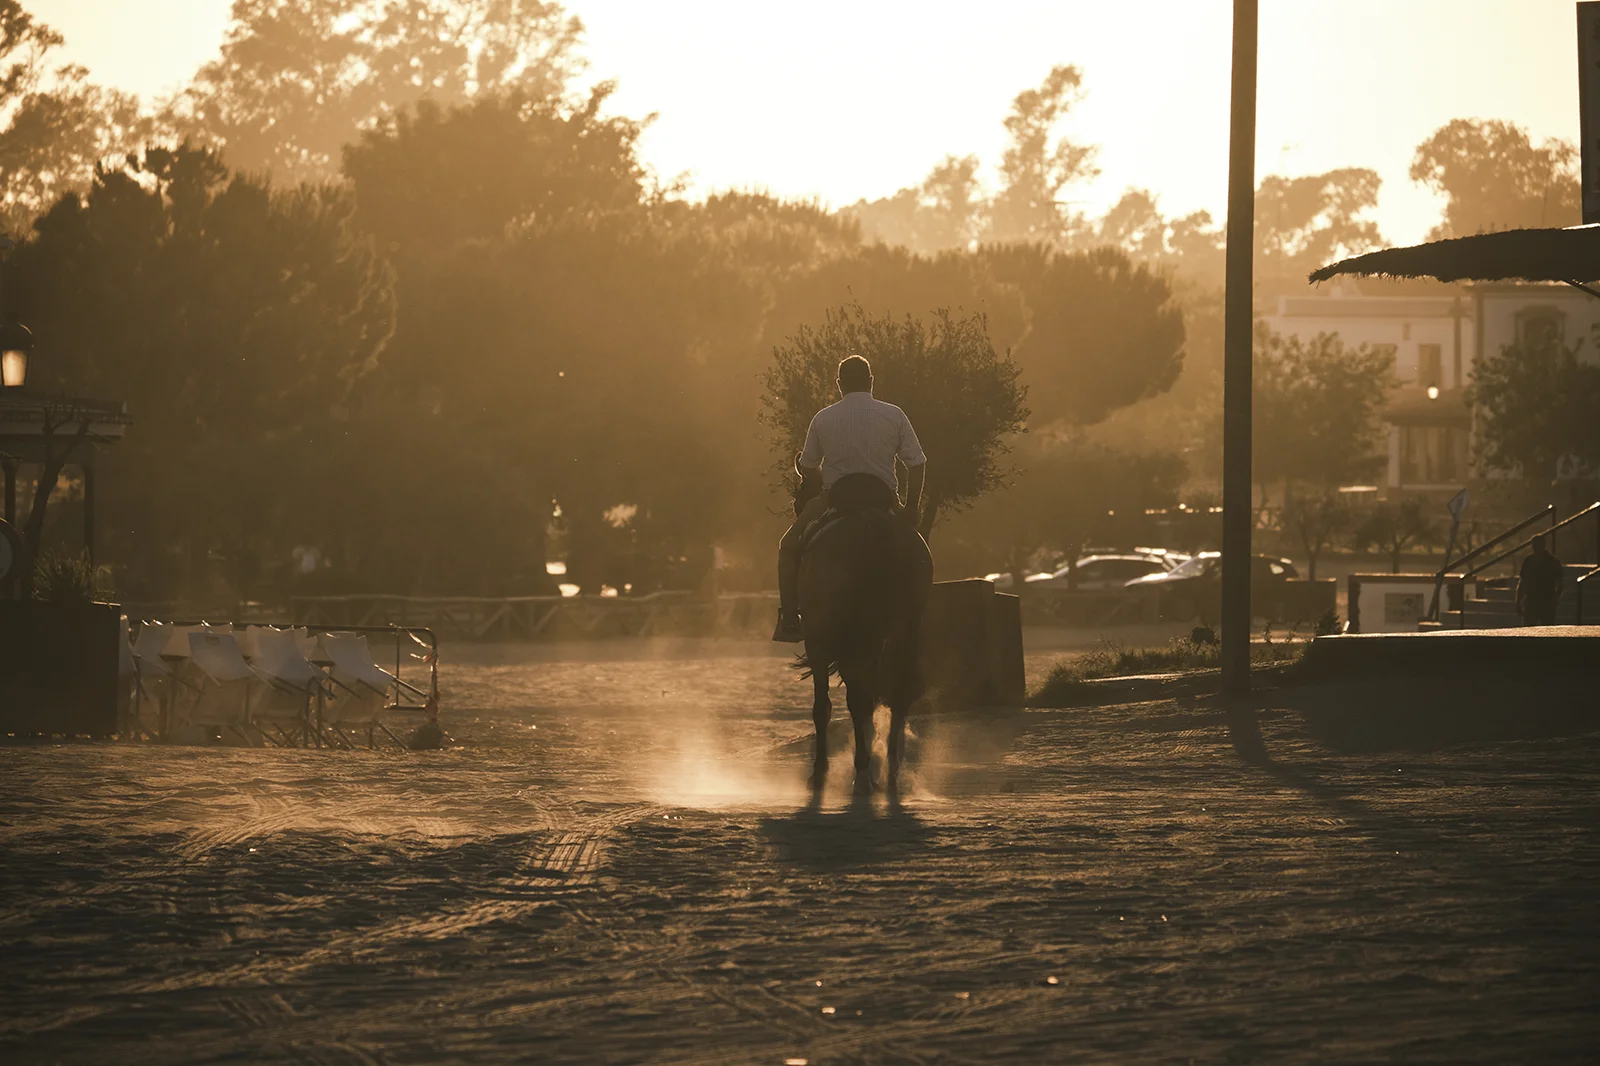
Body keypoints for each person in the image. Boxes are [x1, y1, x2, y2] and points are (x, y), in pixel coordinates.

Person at [773, 354, 926, 642]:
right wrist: (911, 507)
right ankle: (920, 616)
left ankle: (791, 618)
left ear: (839, 384)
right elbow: (916, 464)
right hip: (884, 499)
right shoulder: (894, 415)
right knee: (918, 553)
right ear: (871, 381)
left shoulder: (823, 418)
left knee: (788, 547)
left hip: (835, 499)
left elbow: (808, 468)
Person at [1516, 534, 1564, 626]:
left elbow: (1560, 584)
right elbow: (1522, 582)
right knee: (1530, 630)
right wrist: (1518, 601)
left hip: (1546, 600)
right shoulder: (1529, 561)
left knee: (1545, 631)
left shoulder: (1552, 562)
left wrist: (1555, 600)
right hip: (1532, 600)